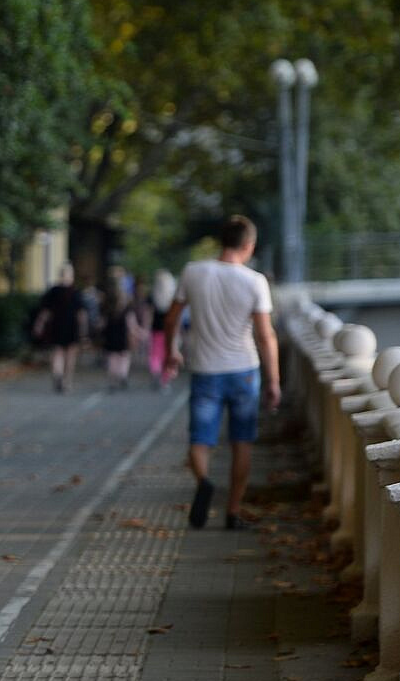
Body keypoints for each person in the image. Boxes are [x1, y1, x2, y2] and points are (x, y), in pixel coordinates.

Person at [161, 216, 280, 530]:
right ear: (248, 245)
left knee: (200, 440)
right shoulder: (255, 281)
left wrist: (171, 351)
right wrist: (274, 381)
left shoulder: (193, 272)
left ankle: (203, 481)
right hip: (244, 371)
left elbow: (171, 319)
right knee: (242, 442)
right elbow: (265, 336)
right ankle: (233, 512)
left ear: (221, 241)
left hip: (204, 369)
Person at [32, 264, 87, 393]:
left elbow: (46, 311)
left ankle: (58, 373)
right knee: (70, 355)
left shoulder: (53, 291)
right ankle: (67, 380)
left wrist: (39, 324)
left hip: (56, 325)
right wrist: (84, 330)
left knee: (57, 352)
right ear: (71, 276)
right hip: (72, 326)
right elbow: (81, 314)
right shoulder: (76, 292)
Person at [100, 273, 143, 391]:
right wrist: (138, 332)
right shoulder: (127, 304)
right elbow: (131, 323)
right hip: (123, 334)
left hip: (110, 334)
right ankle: (122, 374)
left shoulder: (107, 303)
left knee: (112, 357)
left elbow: (102, 322)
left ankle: (112, 379)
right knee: (124, 356)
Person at [146, 268, 177, 392]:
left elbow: (148, 314)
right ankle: (165, 380)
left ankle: (156, 373)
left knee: (155, 353)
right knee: (166, 354)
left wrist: (146, 327)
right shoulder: (172, 298)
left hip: (156, 329)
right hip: (169, 330)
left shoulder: (152, 296)